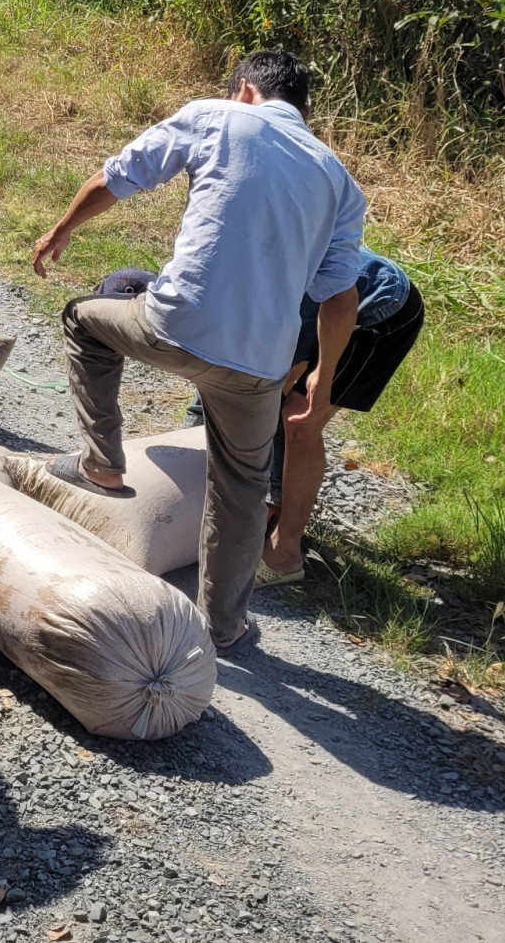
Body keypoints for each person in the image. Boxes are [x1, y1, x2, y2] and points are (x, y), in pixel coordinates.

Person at [30, 50, 365, 651]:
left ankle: (102, 461)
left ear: (245, 90)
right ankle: (223, 627)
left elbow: (114, 178)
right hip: (262, 364)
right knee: (240, 489)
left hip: (172, 328)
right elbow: (341, 299)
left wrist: (62, 229)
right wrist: (323, 376)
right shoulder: (339, 180)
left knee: (84, 320)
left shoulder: (216, 117)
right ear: (302, 108)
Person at [182, 246, 425, 584]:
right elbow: (209, 392)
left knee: (299, 419)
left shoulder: (269, 303)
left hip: (376, 309)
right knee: (241, 395)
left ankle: (286, 552)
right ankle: (266, 509)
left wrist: (260, 494)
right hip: (322, 301)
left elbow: (273, 390)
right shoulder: (220, 297)